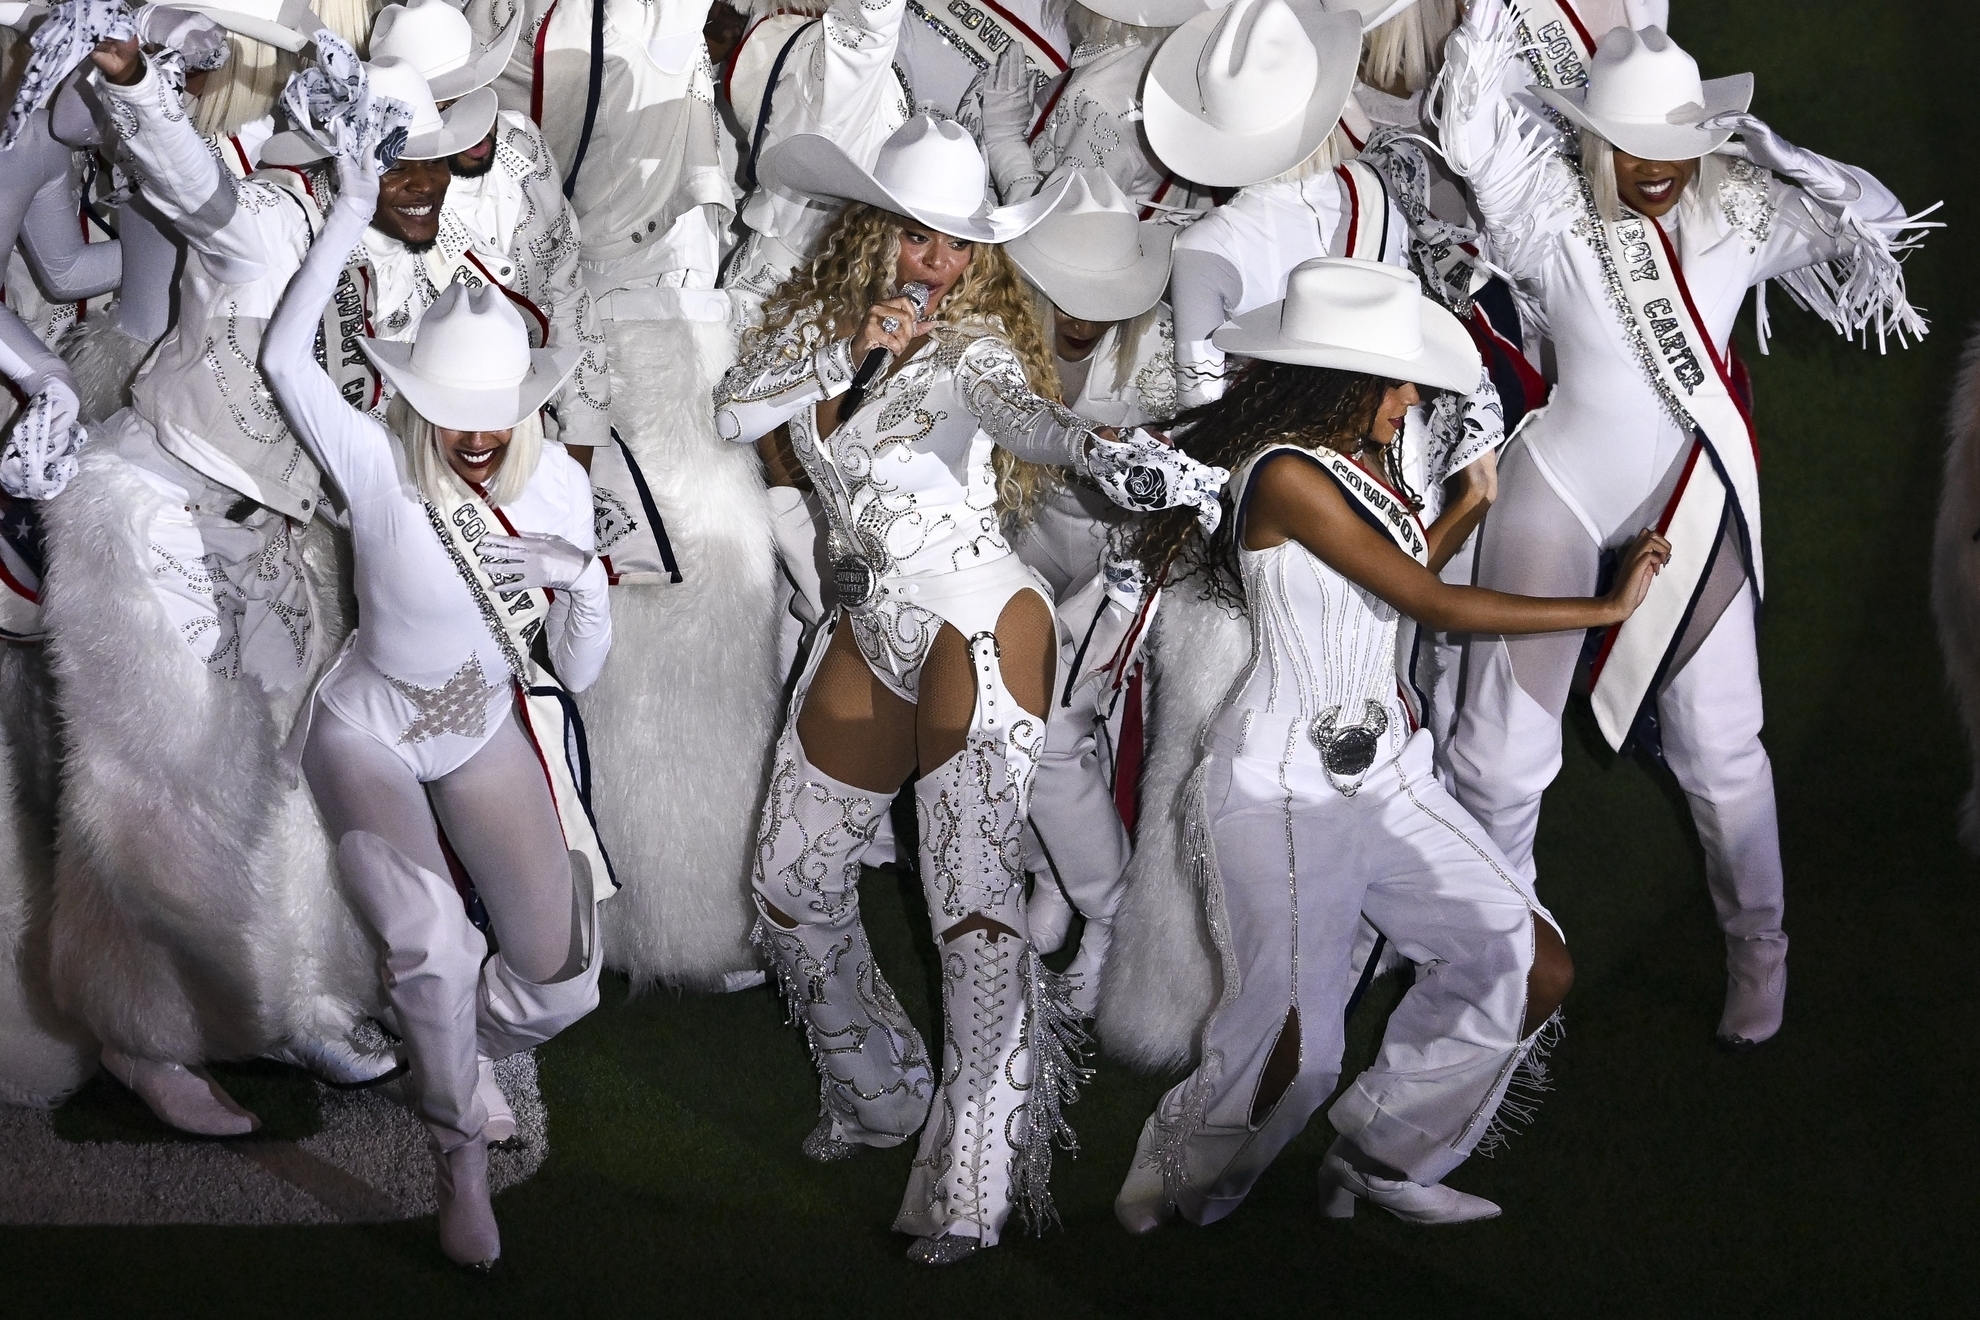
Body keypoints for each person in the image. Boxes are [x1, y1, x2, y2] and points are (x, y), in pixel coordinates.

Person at [714, 114, 1223, 1263]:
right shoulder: (823, 332)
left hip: (980, 625)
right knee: (790, 888)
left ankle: (973, 1178)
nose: (931, 263)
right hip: (868, 626)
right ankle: (882, 1091)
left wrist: (1101, 456)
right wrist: (848, 359)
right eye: (911, 235)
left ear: (981, 254)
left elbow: (1028, 418)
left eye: (953, 245)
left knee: (971, 905)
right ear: (873, 231)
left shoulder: (978, 348)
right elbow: (736, 418)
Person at [1112, 255, 1668, 1231]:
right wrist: (1607, 603)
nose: (1410, 396)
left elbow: (1394, 577)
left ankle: (1379, 1154)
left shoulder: (1358, 468)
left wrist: (1466, 509)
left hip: (1385, 778)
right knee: (1298, 1055)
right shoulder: (1282, 474)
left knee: (1528, 963)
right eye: (1395, 380)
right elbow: (1426, 599)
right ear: (1339, 378)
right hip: (1278, 792)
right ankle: (1176, 1181)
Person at [1437, 1, 1931, 1048]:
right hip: (1560, 489)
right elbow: (1472, 126)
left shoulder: (1738, 207)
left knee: (1723, 747)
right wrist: (1487, 13)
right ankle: (1498, 958)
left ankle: (1761, 949)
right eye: (1631, 144)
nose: (1656, 166)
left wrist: (1782, 155)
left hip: (1688, 504)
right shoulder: (1550, 214)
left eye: (1676, 143)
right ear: (1593, 138)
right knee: (1498, 754)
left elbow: (1877, 220)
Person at [38, 33, 493, 1134]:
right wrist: (138, 85)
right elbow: (189, 186)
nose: (426, 179)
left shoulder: (403, 259)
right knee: (160, 795)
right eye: (400, 159)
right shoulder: (273, 223)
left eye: (435, 157)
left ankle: (295, 1005)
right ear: (345, 157)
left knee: (293, 783)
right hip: (162, 522)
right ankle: (142, 1040)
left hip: (273, 544)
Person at [261, 115, 612, 1271]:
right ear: (416, 399)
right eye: (453, 410)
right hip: (364, 733)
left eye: (495, 414)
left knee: (563, 992)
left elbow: (582, 677)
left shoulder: (557, 483)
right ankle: (459, 1147)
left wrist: (581, 578)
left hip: (477, 737)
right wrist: (347, 223)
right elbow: (281, 359)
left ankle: (447, 1053)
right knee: (427, 941)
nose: (474, 434)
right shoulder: (372, 455)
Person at [1002, 166, 1177, 1010]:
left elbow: (1186, 480)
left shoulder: (1170, 353)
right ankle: (1052, 874)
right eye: (1064, 290)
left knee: (1059, 731)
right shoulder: (999, 323)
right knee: (1004, 719)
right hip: (1021, 537)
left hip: (1127, 557)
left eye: (1100, 295)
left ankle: (1108, 915)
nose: (1077, 314)